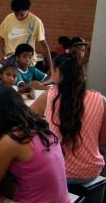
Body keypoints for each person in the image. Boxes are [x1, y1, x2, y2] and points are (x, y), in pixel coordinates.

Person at [31, 53, 106, 184]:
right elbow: (103, 141)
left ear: (58, 72)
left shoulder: (49, 96)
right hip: (91, 171)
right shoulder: (100, 100)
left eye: (52, 69)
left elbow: (25, 118)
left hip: (57, 172)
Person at [0, 0, 52, 71]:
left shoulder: (36, 21)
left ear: (28, 10)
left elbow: (44, 45)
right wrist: (1, 53)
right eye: (16, 14)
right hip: (11, 60)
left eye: (22, 14)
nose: (19, 17)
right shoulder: (8, 18)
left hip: (27, 62)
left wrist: (51, 66)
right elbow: (1, 37)